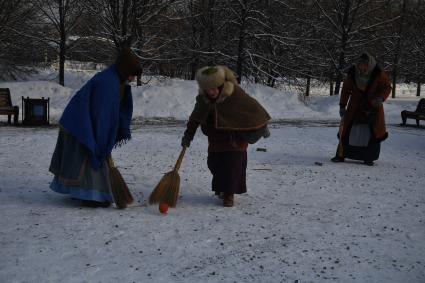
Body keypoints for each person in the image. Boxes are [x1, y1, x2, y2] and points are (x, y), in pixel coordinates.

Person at [49, 48, 142, 207]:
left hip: (83, 121)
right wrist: (103, 143)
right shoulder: (108, 84)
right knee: (89, 157)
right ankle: (90, 196)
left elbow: (115, 111)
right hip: (79, 124)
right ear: (125, 70)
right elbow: (101, 118)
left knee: (92, 157)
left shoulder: (116, 79)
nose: (133, 79)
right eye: (132, 74)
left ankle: (90, 193)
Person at [181, 65, 271, 207]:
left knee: (232, 166)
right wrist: (188, 135)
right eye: (208, 89)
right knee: (214, 165)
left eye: (214, 88)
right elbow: (195, 118)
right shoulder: (204, 98)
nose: (211, 92)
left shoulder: (235, 93)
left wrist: (261, 126)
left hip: (235, 138)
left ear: (222, 84)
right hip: (216, 137)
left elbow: (252, 108)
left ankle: (229, 194)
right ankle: (222, 188)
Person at [331, 52, 392, 166]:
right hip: (355, 106)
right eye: (360, 64)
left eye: (364, 65)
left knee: (371, 132)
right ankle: (341, 154)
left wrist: (380, 98)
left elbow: (386, 87)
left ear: (369, 65)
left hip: (372, 107)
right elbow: (346, 89)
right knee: (347, 130)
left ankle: (368, 157)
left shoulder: (378, 72)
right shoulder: (353, 72)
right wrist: (342, 105)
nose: (362, 67)